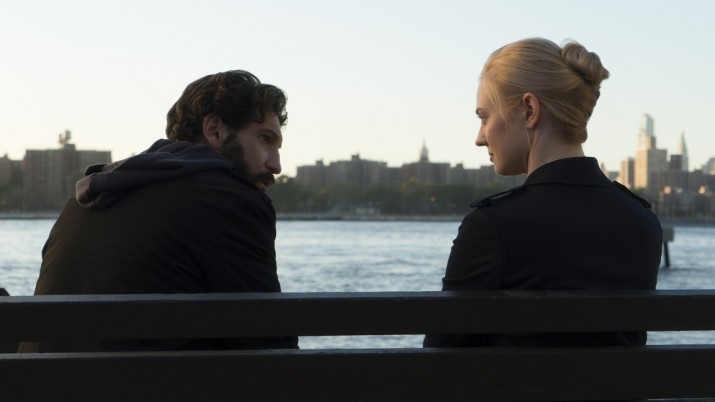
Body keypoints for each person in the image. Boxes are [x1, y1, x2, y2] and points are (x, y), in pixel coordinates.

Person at [20, 70, 298, 352]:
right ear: (215, 130)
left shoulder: (82, 203)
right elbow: (270, 340)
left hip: (34, 378)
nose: (276, 165)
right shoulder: (232, 200)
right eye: (265, 139)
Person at [424, 38, 662, 347]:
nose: (479, 138)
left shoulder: (492, 227)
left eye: (484, 117)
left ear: (529, 110)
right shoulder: (642, 221)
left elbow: (439, 357)